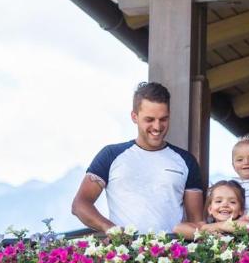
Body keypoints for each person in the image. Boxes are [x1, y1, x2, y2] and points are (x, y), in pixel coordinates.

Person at [71, 82, 204, 233]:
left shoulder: (186, 161)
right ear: (134, 117)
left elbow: (196, 223)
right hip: (125, 253)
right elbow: (80, 204)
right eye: (149, 119)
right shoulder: (110, 155)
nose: (157, 127)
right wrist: (110, 229)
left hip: (172, 254)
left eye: (163, 119)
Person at [174, 180, 245, 239]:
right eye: (218, 201)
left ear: (241, 210)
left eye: (232, 202)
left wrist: (213, 227)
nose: (225, 205)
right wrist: (207, 235)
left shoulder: (243, 223)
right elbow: (178, 229)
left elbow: (247, 226)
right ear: (210, 209)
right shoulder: (205, 225)